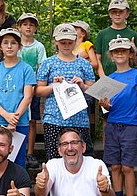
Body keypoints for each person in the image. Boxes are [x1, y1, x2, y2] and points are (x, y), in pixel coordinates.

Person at [98, 38, 137, 196]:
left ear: (130, 53)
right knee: (115, 166)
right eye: (116, 51)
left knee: (127, 167)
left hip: (130, 125)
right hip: (112, 125)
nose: (120, 54)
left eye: (123, 51)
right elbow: (107, 107)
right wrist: (104, 104)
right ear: (111, 56)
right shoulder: (109, 79)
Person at [36, 23, 95, 160]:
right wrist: (54, 86)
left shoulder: (84, 64)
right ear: (56, 42)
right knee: (54, 160)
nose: (66, 45)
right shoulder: (48, 63)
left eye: (69, 42)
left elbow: (93, 91)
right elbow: (38, 90)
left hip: (79, 119)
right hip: (54, 119)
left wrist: (82, 86)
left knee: (80, 161)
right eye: (63, 42)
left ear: (75, 41)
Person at [0, 28, 35, 168]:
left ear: (19, 46)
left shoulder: (26, 69)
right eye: (5, 42)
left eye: (13, 43)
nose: (9, 46)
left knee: (18, 159)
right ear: (0, 46)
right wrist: (6, 116)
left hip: (20, 121)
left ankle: (19, 188)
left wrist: (14, 119)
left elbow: (28, 96)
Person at [17, 13, 47, 169]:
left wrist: (36, 86)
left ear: (35, 27)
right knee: (17, 118)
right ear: (19, 27)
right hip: (16, 89)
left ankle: (29, 152)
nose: (28, 27)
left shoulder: (39, 47)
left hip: (33, 88)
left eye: (31, 24)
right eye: (25, 24)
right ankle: (17, 151)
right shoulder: (15, 45)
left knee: (32, 120)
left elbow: (41, 67)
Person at [95, 0, 137, 78]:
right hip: (107, 76)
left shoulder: (133, 35)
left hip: (128, 77)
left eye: (121, 11)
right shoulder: (102, 34)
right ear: (109, 14)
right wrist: (103, 77)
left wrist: (134, 50)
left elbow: (136, 62)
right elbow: (97, 58)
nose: (117, 14)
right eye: (114, 12)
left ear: (127, 14)